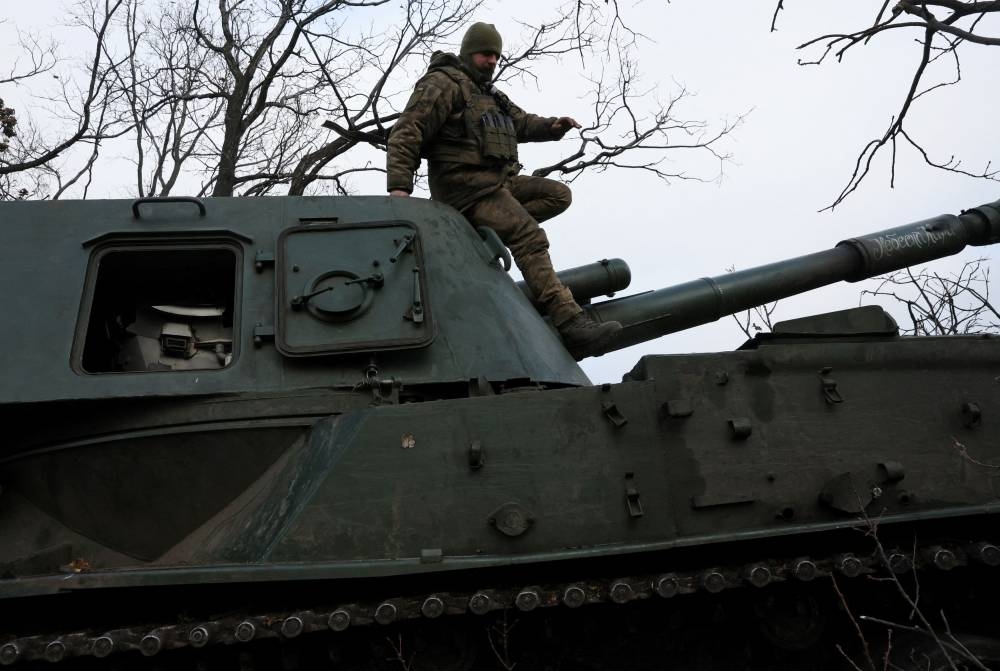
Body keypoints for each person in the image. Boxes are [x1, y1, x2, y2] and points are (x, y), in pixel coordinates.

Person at [385, 21, 622, 359]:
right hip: (464, 188)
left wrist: (552, 127)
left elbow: (520, 123)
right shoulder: (443, 84)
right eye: (485, 54)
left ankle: (482, 231)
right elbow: (408, 130)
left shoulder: (489, 94)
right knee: (527, 235)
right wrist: (399, 188)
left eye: (496, 55)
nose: (492, 61)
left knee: (557, 195)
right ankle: (571, 324)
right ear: (469, 53)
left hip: (495, 183)